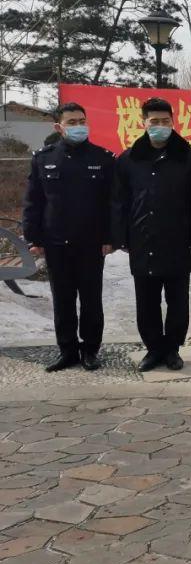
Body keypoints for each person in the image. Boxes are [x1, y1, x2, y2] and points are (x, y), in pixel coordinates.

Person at [112, 97, 191, 372]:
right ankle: (154, 349)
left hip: (178, 243)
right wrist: (121, 237)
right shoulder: (129, 159)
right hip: (142, 242)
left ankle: (172, 349)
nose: (160, 126)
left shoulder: (190, 158)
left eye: (165, 121)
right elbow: (119, 201)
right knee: (146, 302)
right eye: (154, 121)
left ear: (173, 122)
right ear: (143, 123)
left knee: (178, 301)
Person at [22, 103, 115, 372]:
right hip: (55, 242)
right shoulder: (44, 158)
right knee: (62, 301)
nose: (78, 126)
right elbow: (33, 202)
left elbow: (112, 203)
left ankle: (90, 351)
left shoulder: (103, 158)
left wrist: (110, 237)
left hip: (91, 242)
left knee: (91, 300)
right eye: (72, 122)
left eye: (82, 121)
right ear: (58, 127)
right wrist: (33, 238)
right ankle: (67, 351)